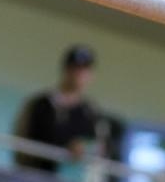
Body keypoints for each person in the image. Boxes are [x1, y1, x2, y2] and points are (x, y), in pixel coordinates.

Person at [15, 45, 103, 173]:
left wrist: (83, 149)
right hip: (35, 175)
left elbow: (99, 149)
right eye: (75, 67)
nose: (79, 73)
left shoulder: (90, 112)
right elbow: (21, 141)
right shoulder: (40, 104)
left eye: (85, 69)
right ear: (66, 69)